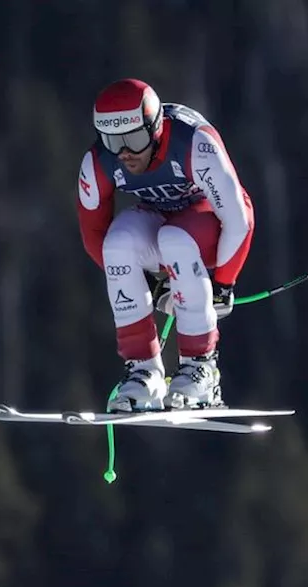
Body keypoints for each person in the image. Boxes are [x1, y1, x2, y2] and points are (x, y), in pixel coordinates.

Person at [76, 78, 255, 412]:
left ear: (155, 127)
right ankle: (144, 372)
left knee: (175, 239)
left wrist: (223, 283)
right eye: (112, 140)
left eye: (135, 138)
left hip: (208, 225)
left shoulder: (193, 144)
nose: (125, 151)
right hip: (160, 219)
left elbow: (238, 217)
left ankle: (201, 368)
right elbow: (93, 236)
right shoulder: (100, 161)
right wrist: (148, 283)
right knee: (117, 244)